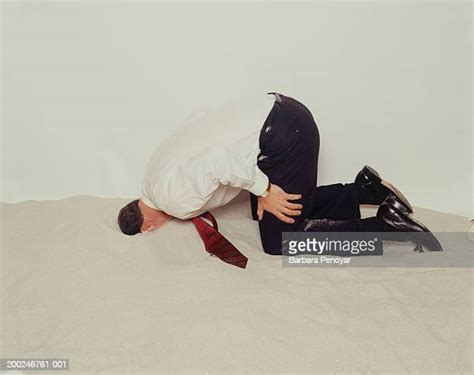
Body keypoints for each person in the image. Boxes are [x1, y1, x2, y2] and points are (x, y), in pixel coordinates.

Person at [118, 92, 441, 255]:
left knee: (280, 241)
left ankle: (386, 225)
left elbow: (216, 160)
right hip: (282, 112)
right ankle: (363, 191)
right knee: (267, 213)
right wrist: (261, 186)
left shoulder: (174, 201)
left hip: (286, 134)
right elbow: (199, 120)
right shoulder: (152, 174)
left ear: (146, 228)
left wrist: (263, 188)